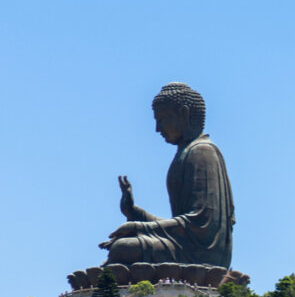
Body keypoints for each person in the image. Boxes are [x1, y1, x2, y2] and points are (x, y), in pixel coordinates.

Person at [100, 83, 235, 268]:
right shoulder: (186, 152)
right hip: (183, 245)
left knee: (122, 248)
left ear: (183, 114)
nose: (157, 128)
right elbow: (182, 225)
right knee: (122, 247)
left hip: (200, 254)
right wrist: (135, 213)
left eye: (162, 119)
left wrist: (139, 227)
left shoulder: (201, 152)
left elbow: (199, 224)